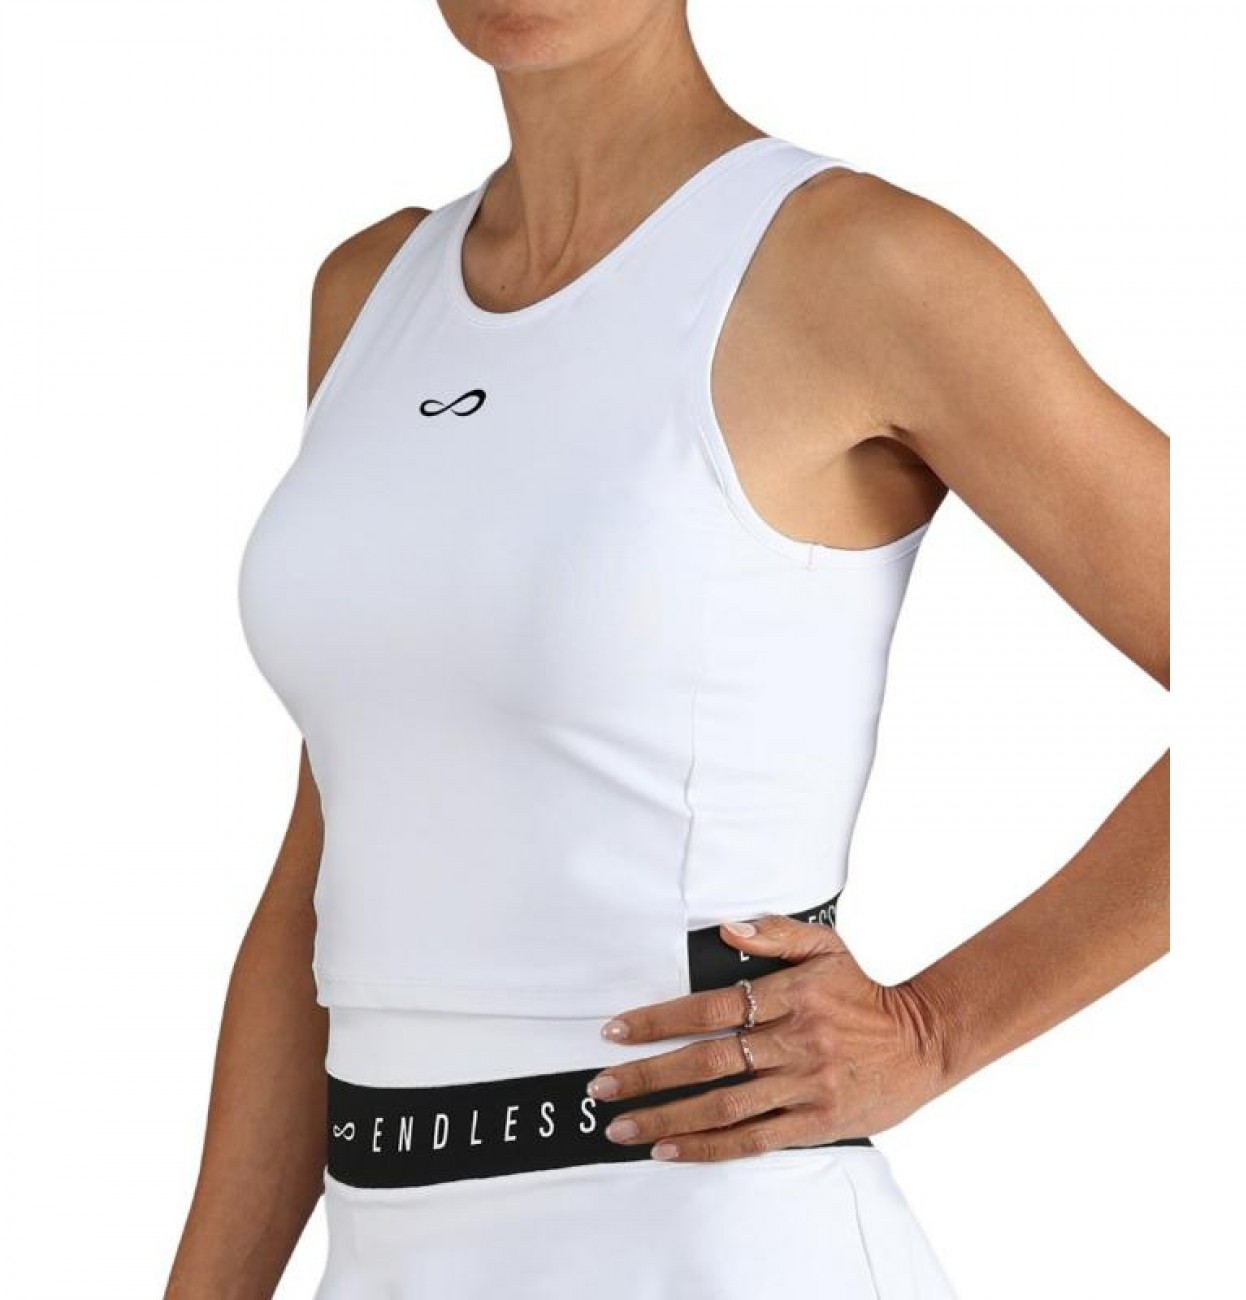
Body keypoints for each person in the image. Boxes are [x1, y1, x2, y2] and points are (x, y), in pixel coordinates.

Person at [165, 2, 1169, 1296]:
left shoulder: (860, 266)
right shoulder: (368, 296)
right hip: (385, 1255)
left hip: (706, 1242)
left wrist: (934, 1030)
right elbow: (328, 865)